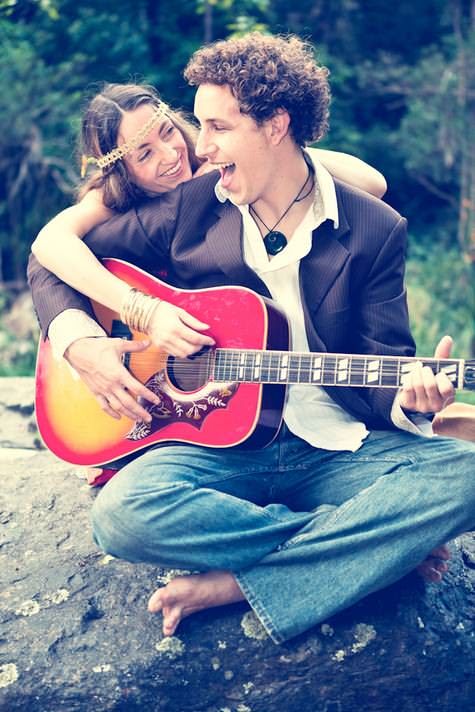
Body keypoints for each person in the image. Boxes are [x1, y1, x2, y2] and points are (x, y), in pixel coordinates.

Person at [28, 33, 474, 645]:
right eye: (197, 128)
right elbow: (53, 259)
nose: (195, 147)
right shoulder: (189, 207)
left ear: (274, 125)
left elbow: (385, 366)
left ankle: (246, 581)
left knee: (465, 476)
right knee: (123, 515)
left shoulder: (374, 229)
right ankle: (354, 543)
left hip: (333, 447)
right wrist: (84, 342)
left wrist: (410, 399)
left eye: (214, 128)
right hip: (221, 450)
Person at [31, 82, 387, 427]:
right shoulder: (111, 204)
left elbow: (373, 184)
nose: (170, 155)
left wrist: (272, 151)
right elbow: (47, 250)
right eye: (145, 154)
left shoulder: (216, 165)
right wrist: (91, 339)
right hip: (144, 376)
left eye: (168, 133)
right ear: (121, 172)